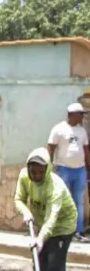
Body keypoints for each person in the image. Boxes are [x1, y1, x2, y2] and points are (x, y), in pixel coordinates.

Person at [13, 147, 77, 271]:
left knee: (55, 263)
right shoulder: (24, 176)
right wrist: (26, 212)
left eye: (41, 172)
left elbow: (52, 218)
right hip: (44, 224)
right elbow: (18, 199)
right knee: (39, 259)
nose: (36, 176)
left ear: (47, 169)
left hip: (62, 225)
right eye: (33, 172)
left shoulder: (54, 187)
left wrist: (40, 239)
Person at [47, 102, 90, 243]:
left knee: (79, 201)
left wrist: (88, 167)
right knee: (62, 200)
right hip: (63, 169)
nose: (82, 116)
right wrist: (49, 168)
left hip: (80, 170)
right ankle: (62, 230)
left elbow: (86, 150)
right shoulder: (58, 129)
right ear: (72, 115)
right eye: (80, 114)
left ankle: (79, 231)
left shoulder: (81, 131)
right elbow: (51, 149)